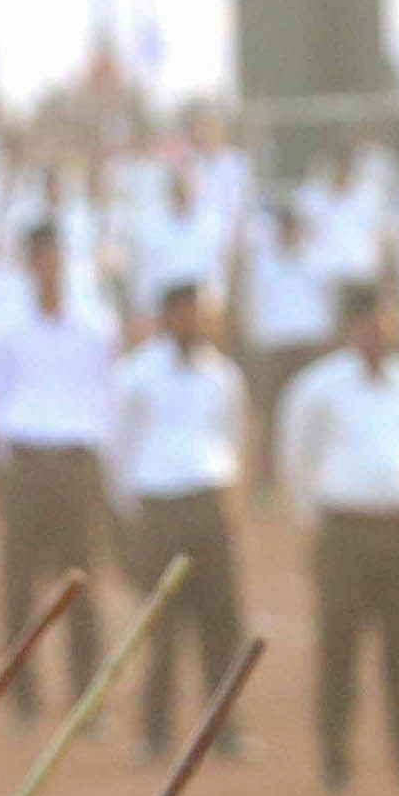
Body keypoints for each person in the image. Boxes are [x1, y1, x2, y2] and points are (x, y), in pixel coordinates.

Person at [277, 283, 399, 794]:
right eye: (366, 323)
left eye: (385, 322)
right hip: (343, 529)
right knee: (338, 647)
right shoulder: (318, 389)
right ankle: (336, 760)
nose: (377, 333)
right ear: (348, 329)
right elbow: (296, 460)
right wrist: (316, 519)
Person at [107, 280, 250, 762]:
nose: (194, 321)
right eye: (185, 312)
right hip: (159, 506)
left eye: (200, 312)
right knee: (161, 626)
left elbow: (232, 437)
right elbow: (118, 445)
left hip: (210, 501)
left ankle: (225, 730)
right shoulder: (136, 373)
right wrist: (133, 508)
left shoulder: (223, 375)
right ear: (166, 316)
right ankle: (154, 734)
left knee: (222, 622)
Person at [0, 223, 117, 701]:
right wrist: (9, 455)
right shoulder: (6, 326)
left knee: (81, 580)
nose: (49, 267)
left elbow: (106, 390)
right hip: (26, 460)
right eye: (40, 257)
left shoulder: (96, 324)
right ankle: (20, 690)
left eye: (55, 256)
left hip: (77, 460)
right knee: (18, 580)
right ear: (29, 264)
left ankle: (87, 692)